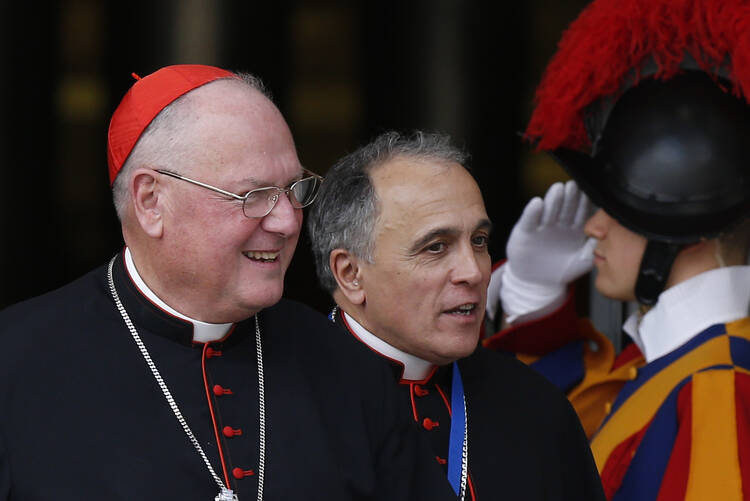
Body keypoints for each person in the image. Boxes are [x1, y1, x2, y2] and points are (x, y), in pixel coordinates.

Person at [0, 65, 456, 500]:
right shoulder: (15, 363)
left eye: (295, 190)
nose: (285, 222)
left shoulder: (350, 371)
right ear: (151, 201)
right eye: (253, 196)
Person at [484, 1, 750, 498]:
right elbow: (564, 441)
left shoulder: (716, 385)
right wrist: (533, 295)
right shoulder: (684, 367)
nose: (593, 226)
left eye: (618, 209)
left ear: (679, 228)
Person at [307, 130, 607, 500]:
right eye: (436, 247)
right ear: (351, 274)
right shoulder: (279, 405)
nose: (476, 271)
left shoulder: (535, 408)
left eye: (478, 241)